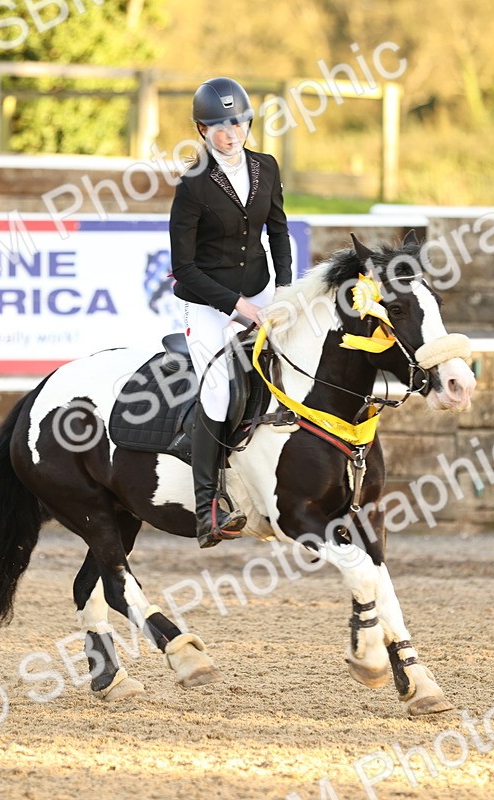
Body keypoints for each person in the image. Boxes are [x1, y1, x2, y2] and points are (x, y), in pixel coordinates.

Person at [169, 76, 293, 548]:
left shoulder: (267, 166)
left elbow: (278, 231)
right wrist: (237, 306)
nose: (230, 133)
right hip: (207, 304)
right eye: (219, 126)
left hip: (261, 292)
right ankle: (209, 507)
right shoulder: (193, 185)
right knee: (218, 392)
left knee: (291, 371)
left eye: (238, 122)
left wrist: (282, 289)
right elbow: (183, 267)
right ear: (201, 129)